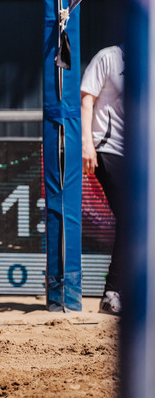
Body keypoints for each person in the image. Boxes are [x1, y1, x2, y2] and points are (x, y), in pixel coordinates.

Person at [81, 45, 125, 316]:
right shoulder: (108, 57)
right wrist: (87, 144)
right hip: (108, 148)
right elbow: (87, 99)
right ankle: (112, 293)